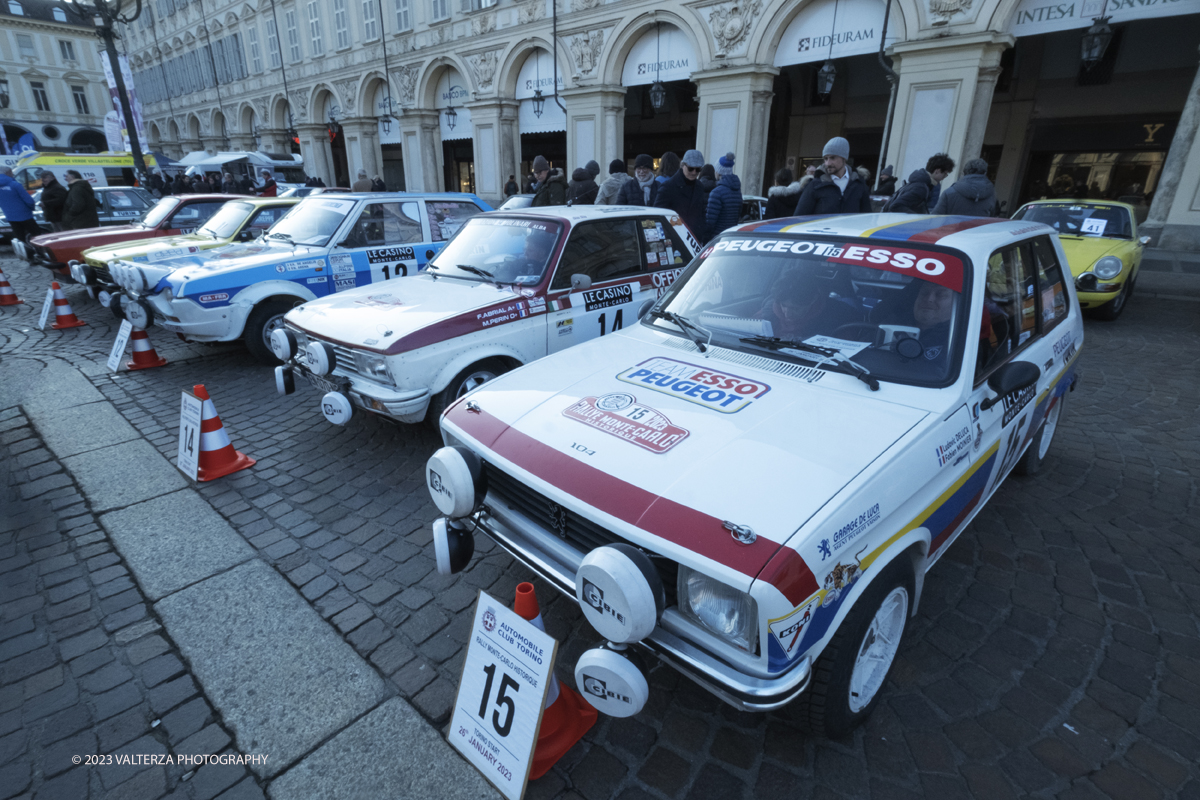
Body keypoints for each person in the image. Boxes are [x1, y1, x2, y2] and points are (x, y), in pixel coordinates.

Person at [794, 137, 873, 216]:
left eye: (832, 158)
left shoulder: (859, 184)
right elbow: (799, 218)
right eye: (825, 158)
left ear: (844, 158)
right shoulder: (814, 185)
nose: (828, 163)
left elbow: (866, 218)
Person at [656, 148, 708, 238]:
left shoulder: (700, 186)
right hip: (675, 238)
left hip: (695, 238)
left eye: (698, 169)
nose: (694, 172)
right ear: (682, 165)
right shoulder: (668, 187)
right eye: (691, 168)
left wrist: (702, 231)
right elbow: (658, 215)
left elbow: (702, 213)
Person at [887, 153, 955, 215]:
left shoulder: (921, 183)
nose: (945, 177)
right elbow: (896, 206)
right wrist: (918, 217)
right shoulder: (921, 187)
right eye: (945, 173)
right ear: (937, 171)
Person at [933, 158, 997, 217]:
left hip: (953, 229)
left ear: (964, 173)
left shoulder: (949, 193)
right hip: (979, 229)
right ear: (985, 173)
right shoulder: (991, 194)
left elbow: (934, 217)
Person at [705, 152, 742, 242]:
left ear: (719, 172)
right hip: (730, 237)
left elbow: (710, 222)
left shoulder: (716, 193)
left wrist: (705, 238)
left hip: (717, 238)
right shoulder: (737, 191)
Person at [0, 167, 38, 242]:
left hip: (10, 216)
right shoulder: (15, 185)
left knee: (20, 238)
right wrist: (31, 208)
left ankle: (25, 251)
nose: (12, 174)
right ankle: (40, 252)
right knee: (37, 235)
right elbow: (29, 200)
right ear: (7, 173)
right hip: (25, 215)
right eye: (11, 172)